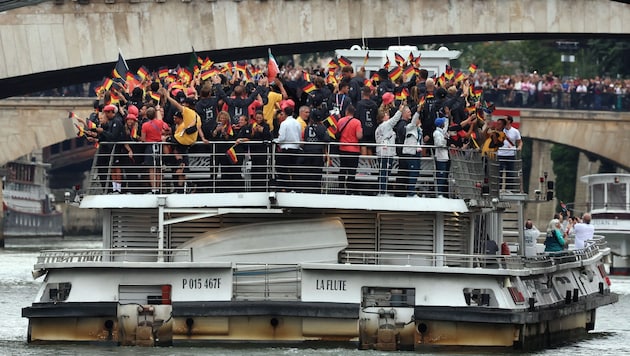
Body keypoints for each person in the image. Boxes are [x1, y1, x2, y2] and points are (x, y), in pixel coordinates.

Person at [374, 107, 401, 195]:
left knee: (385, 172)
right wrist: (400, 110)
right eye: (386, 115)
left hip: (385, 152)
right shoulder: (385, 125)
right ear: (382, 118)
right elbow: (395, 119)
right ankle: (382, 191)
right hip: (385, 152)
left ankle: (383, 190)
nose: (388, 116)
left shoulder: (380, 128)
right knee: (384, 172)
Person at [336, 105, 363, 194]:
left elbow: (336, 132)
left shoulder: (340, 121)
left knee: (342, 169)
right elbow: (359, 136)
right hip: (354, 150)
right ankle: (349, 190)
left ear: (346, 111)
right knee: (352, 171)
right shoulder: (357, 122)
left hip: (343, 148)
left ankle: (340, 189)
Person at [497, 116, 522, 192]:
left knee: (510, 173)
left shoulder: (515, 131)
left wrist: (520, 147)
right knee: (499, 173)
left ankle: (509, 189)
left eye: (505, 120)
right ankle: (499, 189)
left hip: (510, 154)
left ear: (510, 121)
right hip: (500, 153)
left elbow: (519, 141)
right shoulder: (499, 130)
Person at [433, 117, 450, 197]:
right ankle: (439, 193)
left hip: (444, 156)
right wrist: (444, 139)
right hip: (440, 157)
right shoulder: (437, 133)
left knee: (443, 176)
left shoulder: (442, 132)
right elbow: (438, 143)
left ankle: (441, 193)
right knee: (440, 176)